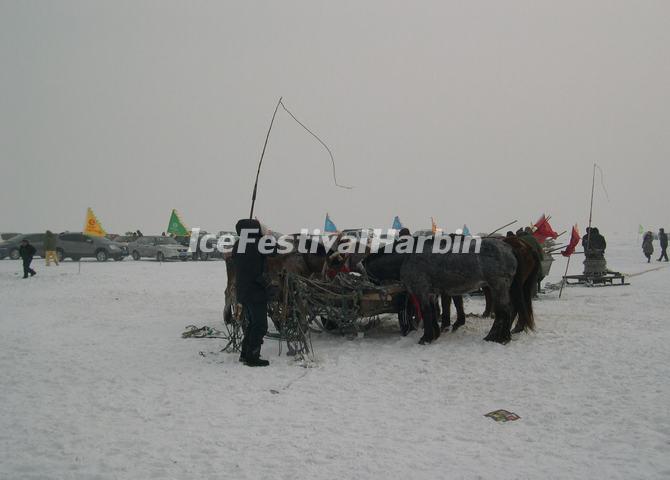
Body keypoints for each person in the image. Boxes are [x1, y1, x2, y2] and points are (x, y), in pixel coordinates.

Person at [233, 218, 273, 367]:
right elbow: (274, 251)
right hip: (255, 291)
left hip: (243, 291)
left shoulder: (239, 244)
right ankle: (252, 357)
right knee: (260, 325)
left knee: (251, 324)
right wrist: (268, 237)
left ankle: (245, 354)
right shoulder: (258, 243)